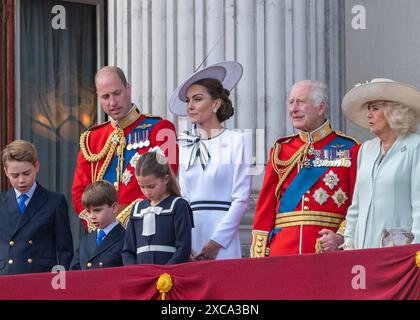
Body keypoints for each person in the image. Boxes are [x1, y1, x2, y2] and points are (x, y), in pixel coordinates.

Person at [251, 80, 360, 257]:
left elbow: (359, 202)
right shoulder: (281, 150)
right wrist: (260, 255)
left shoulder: (350, 149)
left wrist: (341, 237)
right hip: (283, 252)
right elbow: (265, 208)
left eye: (300, 102)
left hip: (327, 252)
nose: (293, 109)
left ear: (320, 107)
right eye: (291, 102)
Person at [72, 66, 178, 232]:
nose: (112, 102)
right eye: (105, 96)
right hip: (101, 236)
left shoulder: (162, 129)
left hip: (145, 229)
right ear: (98, 97)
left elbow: (168, 178)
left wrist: (122, 224)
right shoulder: (91, 138)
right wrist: (99, 225)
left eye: (117, 93)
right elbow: (79, 192)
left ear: (128, 89)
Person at [169, 61, 252, 260]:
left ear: (216, 103)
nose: (190, 106)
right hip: (191, 236)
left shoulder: (237, 140)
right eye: (188, 100)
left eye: (197, 99)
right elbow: (183, 197)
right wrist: (183, 242)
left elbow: (241, 198)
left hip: (223, 239)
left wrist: (217, 241)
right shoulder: (184, 144)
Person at [341, 78, 420, 249]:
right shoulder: (366, 149)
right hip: (362, 251)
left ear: (394, 112)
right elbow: (356, 206)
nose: (369, 114)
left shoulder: (415, 146)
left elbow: (419, 203)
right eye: (368, 109)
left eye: (375, 109)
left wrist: (415, 248)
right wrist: (348, 242)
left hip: (399, 250)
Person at [0, 140, 73, 275]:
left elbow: (65, 250)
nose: (21, 180)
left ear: (37, 166)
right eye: (15, 176)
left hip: (40, 277)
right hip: (6, 277)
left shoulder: (54, 201)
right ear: (5, 172)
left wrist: (61, 281)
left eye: (26, 173)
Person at [122, 150, 193, 265]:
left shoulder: (178, 205)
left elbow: (183, 248)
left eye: (151, 186)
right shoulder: (137, 209)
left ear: (165, 179)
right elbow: (127, 251)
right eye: (142, 187)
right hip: (141, 275)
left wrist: (165, 272)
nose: (146, 192)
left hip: (169, 275)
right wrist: (135, 272)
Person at [70, 180, 125, 270]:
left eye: (97, 210)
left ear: (114, 208)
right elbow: (74, 274)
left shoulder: (126, 239)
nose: (92, 216)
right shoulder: (85, 241)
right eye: (88, 211)